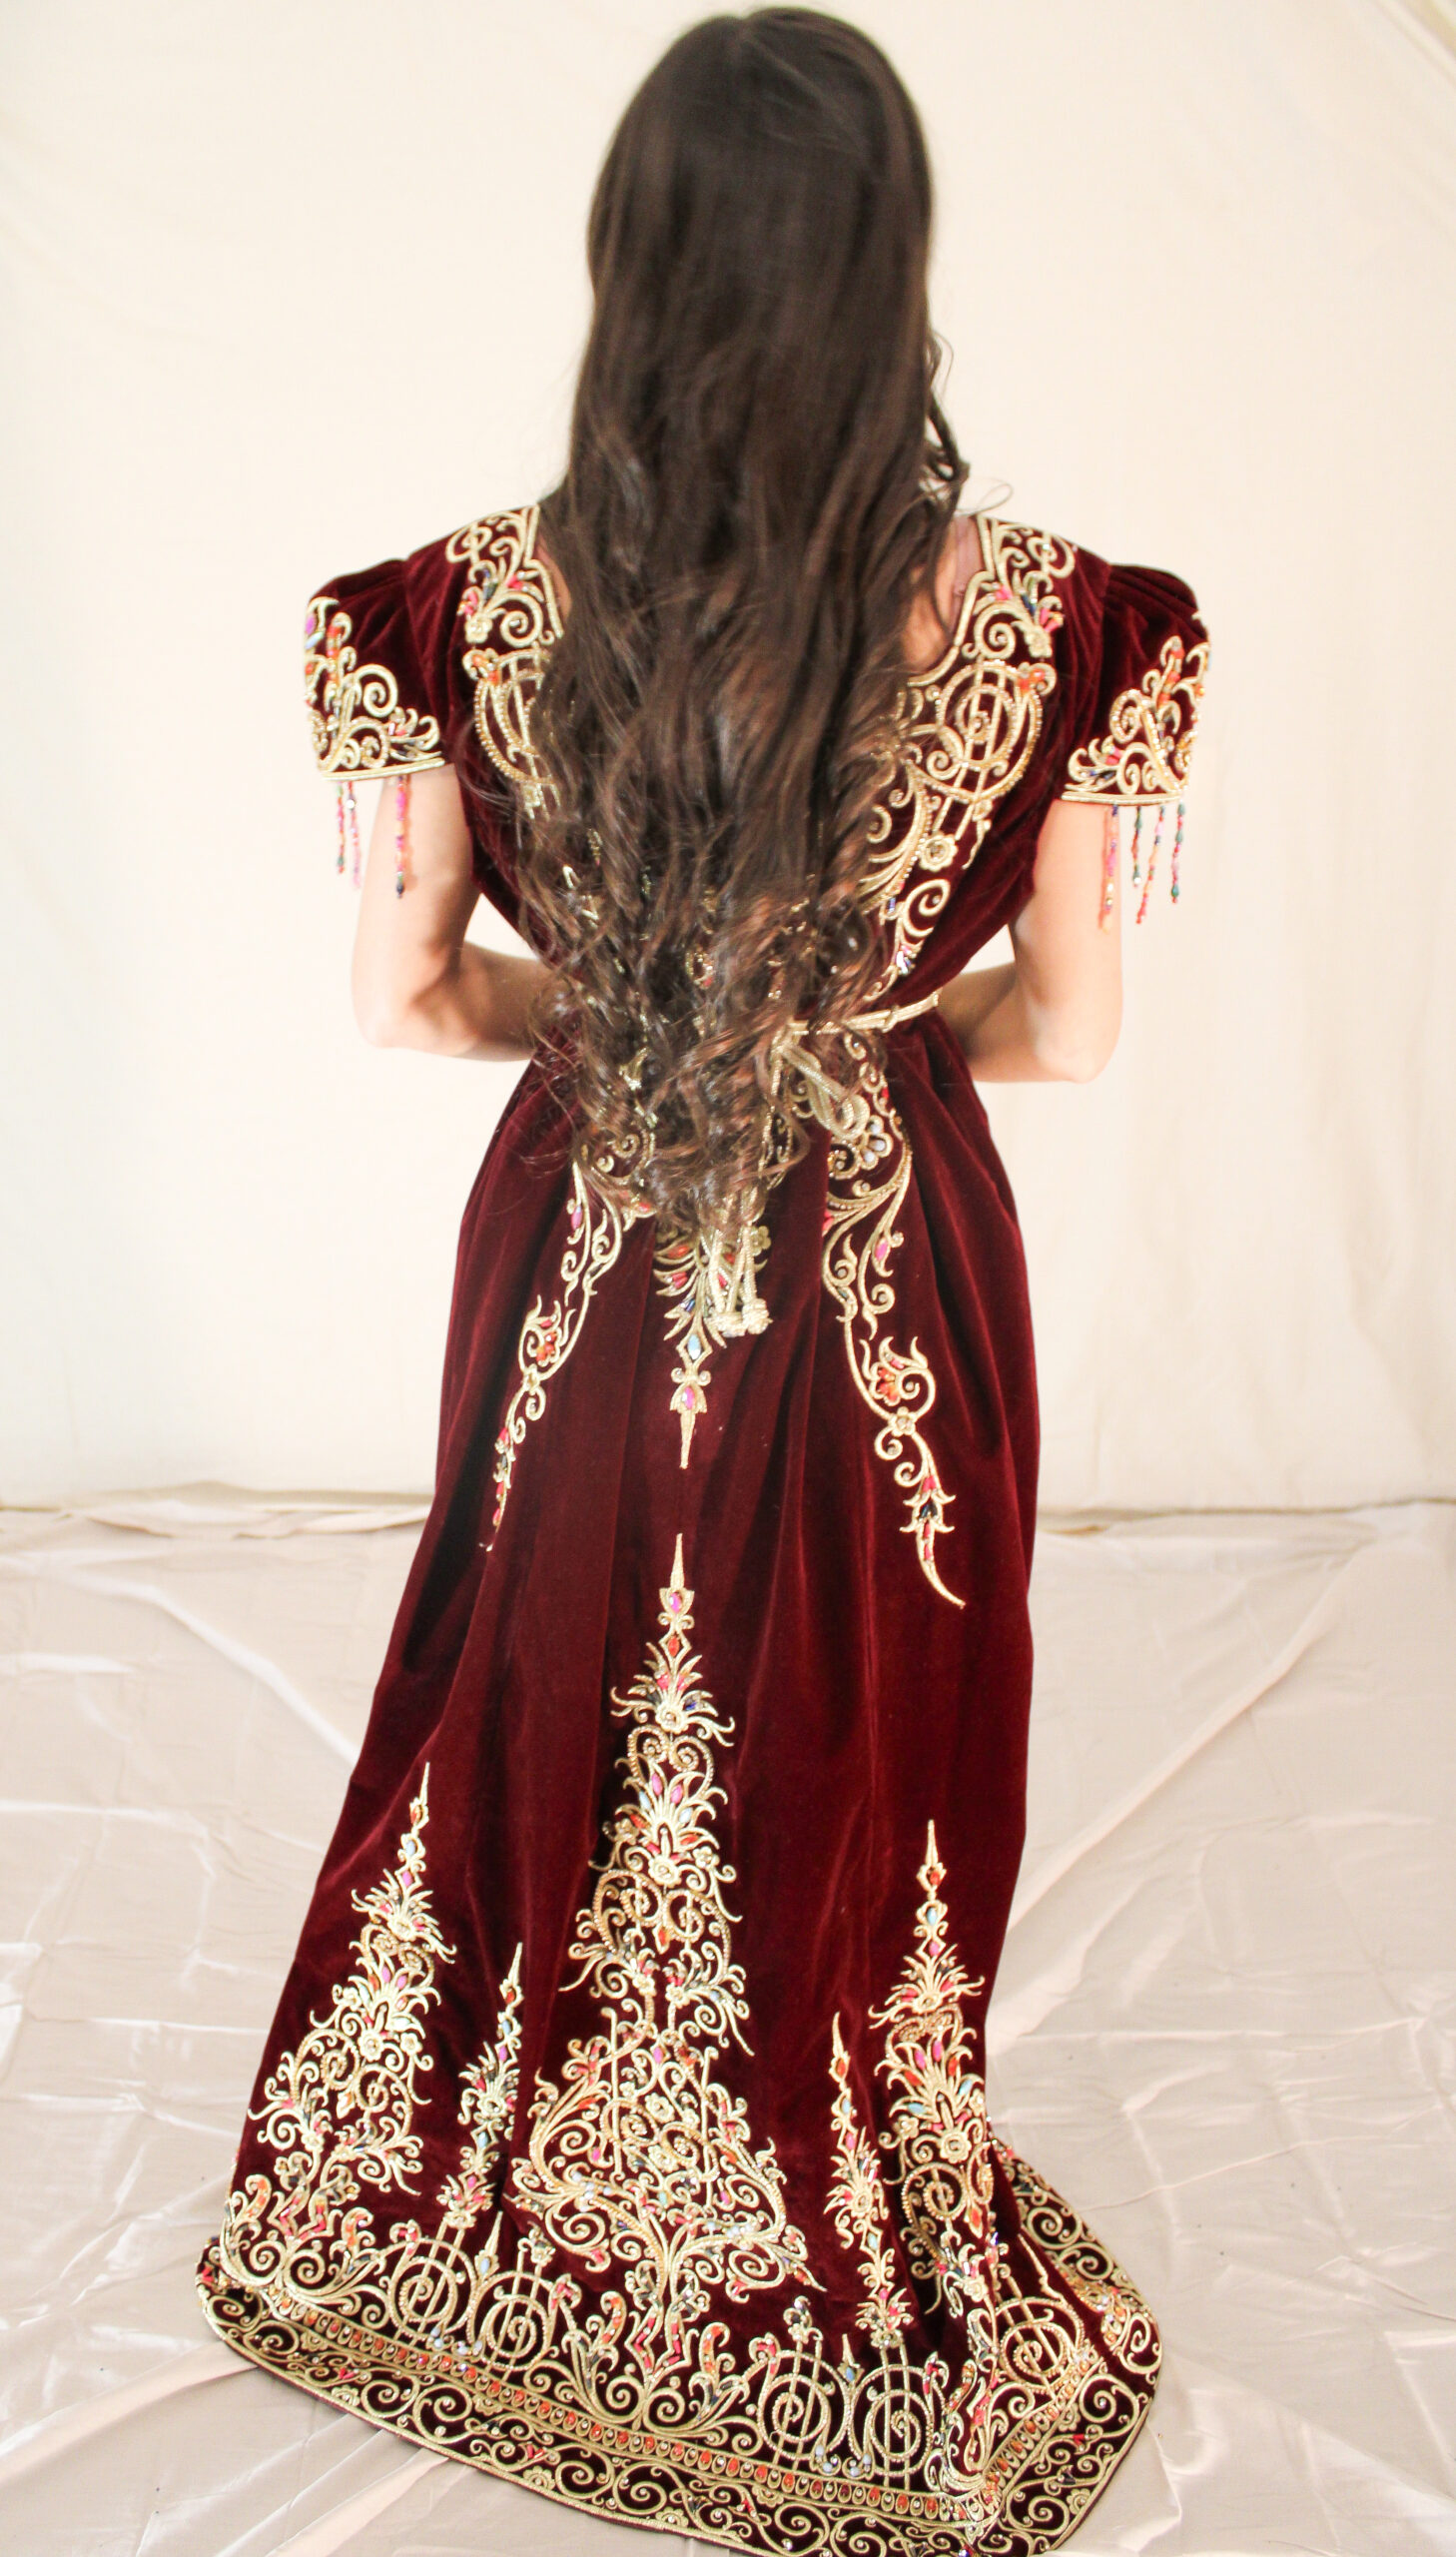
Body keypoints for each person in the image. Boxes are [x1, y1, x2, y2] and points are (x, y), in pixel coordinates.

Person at [198, 12, 1207, 2552]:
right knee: (860, 1709)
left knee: (536, 1677)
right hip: (885, 1271)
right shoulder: (1079, 630)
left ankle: (485, 2207)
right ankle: (833, 2178)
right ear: (896, 272)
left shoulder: (443, 611)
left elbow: (405, 997)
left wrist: (632, 1014)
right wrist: (868, 1038)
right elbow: (1075, 1032)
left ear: (626, 262)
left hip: (590, 1245)